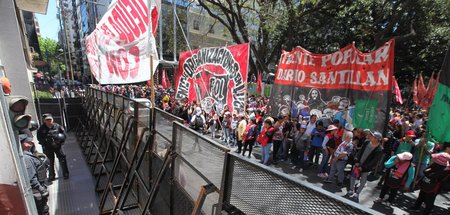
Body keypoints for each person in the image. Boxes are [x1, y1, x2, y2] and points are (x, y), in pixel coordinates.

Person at [347, 130, 383, 203]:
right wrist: (356, 161)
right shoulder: (366, 142)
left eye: (372, 136)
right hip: (358, 164)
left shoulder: (379, 149)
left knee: (363, 180)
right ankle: (351, 189)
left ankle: (357, 193)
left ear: (376, 139)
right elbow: (359, 152)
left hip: (366, 168)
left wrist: (363, 167)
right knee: (353, 176)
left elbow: (374, 161)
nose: (370, 136)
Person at [21, 136, 50, 215]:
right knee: (43, 211)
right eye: (28, 141)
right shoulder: (26, 158)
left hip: (40, 187)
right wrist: (41, 189)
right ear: (24, 144)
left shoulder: (30, 154)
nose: (31, 142)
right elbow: (31, 177)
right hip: (36, 191)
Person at [37, 114, 69, 180]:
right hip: (48, 147)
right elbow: (39, 138)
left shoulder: (57, 126)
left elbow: (64, 135)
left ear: (52, 119)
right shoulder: (41, 129)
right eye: (47, 120)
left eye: (50, 120)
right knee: (50, 162)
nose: (49, 121)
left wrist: (60, 142)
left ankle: (65, 173)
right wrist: (45, 142)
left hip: (57, 146)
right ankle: (51, 175)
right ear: (44, 121)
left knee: (62, 159)